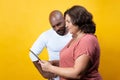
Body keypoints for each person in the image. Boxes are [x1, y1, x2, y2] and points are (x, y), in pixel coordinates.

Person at [39, 5, 102, 80]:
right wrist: (53, 63)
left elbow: (77, 73)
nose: (66, 25)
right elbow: (71, 61)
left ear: (78, 21)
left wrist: (50, 68)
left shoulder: (87, 40)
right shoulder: (75, 38)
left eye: (68, 22)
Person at [29, 10, 72, 80]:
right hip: (56, 78)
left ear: (65, 19)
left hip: (73, 75)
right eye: (53, 26)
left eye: (59, 24)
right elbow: (32, 53)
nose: (57, 28)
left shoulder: (73, 32)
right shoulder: (46, 35)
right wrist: (43, 73)